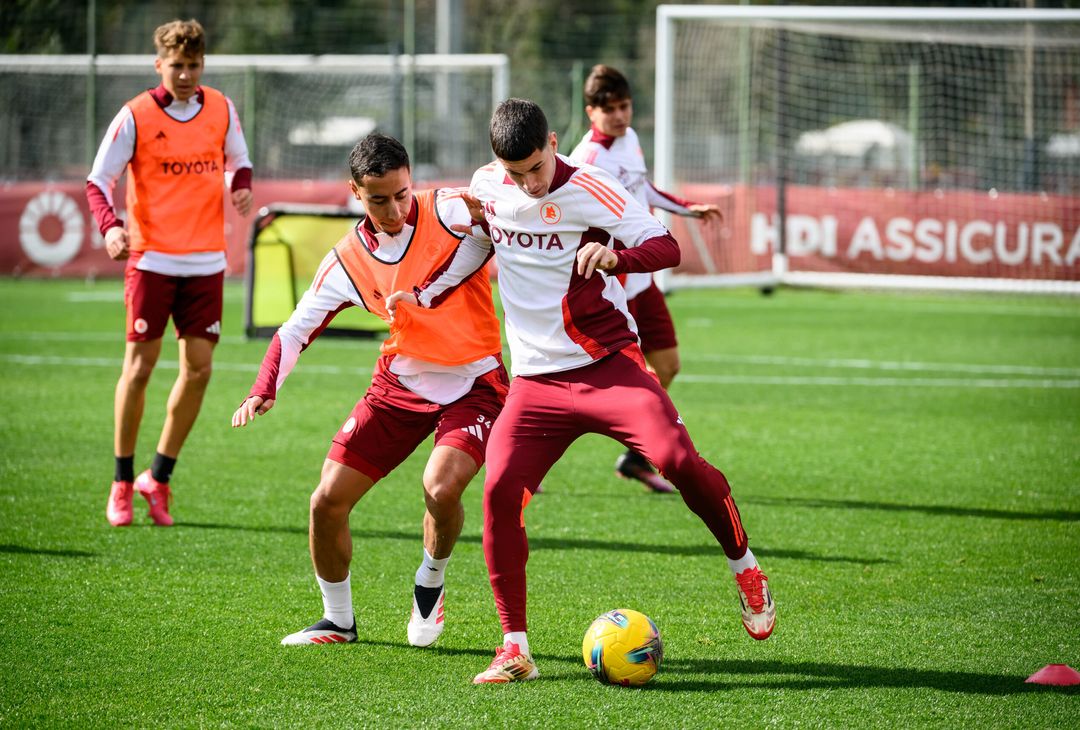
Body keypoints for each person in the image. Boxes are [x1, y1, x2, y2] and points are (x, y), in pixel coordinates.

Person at [389, 99, 776, 684]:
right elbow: (482, 242)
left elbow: (666, 245)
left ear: (551, 142)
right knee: (498, 493)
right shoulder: (489, 185)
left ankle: (745, 567)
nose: (527, 183)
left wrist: (616, 255)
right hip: (535, 385)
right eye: (515, 173)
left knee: (676, 460)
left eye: (535, 169)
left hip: (607, 367)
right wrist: (427, 293)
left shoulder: (591, 186)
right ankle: (514, 648)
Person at [233, 133, 507, 648]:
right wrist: (263, 386)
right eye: (379, 199)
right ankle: (338, 620)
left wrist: (492, 212)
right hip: (398, 385)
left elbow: (504, 221)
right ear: (355, 193)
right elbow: (294, 329)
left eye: (402, 193)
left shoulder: (449, 209)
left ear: (412, 181)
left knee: (440, 488)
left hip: (475, 382)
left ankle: (430, 581)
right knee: (325, 503)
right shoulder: (344, 260)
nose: (395, 208)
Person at [88, 19, 254, 528]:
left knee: (200, 370)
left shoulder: (222, 108)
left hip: (206, 261)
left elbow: (239, 161)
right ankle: (120, 480)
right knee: (139, 369)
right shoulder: (135, 114)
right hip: (151, 259)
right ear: (159, 64)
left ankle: (157, 478)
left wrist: (241, 185)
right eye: (176, 65)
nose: (185, 74)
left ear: (203, 65)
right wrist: (110, 228)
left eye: (194, 65)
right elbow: (99, 181)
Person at [569, 64, 723, 494]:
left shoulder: (631, 141)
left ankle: (634, 458)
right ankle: (524, 456)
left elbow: (642, 189)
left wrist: (687, 207)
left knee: (668, 365)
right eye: (610, 109)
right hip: (611, 283)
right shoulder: (586, 160)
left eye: (625, 106)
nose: (620, 116)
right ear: (591, 112)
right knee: (576, 385)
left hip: (642, 280)